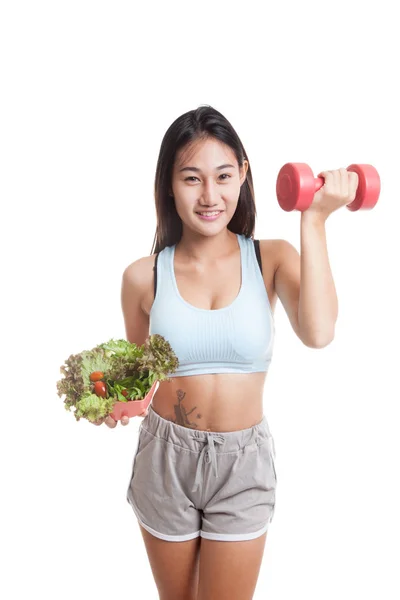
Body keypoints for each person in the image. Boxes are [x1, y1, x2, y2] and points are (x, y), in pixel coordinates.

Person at [93, 105, 359, 600]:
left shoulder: (272, 257)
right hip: (165, 458)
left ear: (243, 174)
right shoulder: (141, 276)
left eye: (222, 176)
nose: (210, 196)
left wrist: (315, 220)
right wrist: (109, 402)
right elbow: (137, 378)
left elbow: (319, 332)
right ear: (170, 185)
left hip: (243, 463)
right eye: (192, 178)